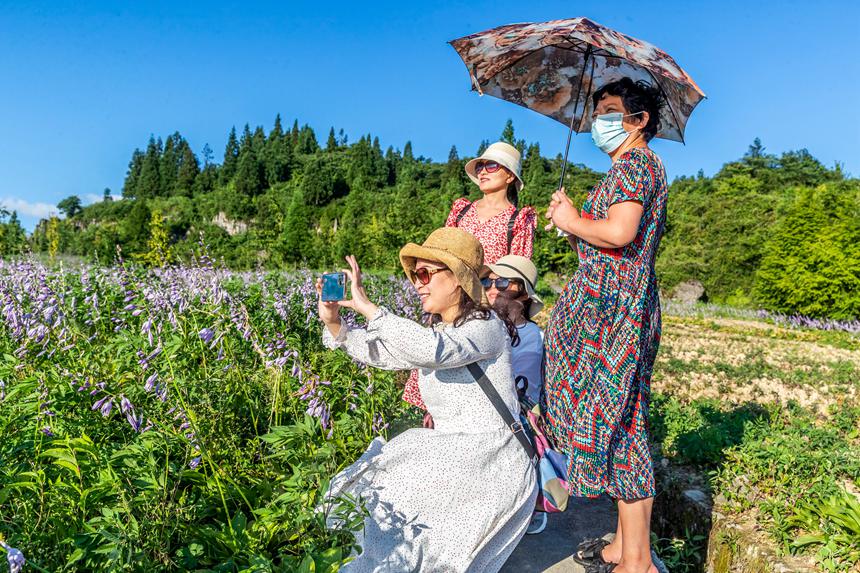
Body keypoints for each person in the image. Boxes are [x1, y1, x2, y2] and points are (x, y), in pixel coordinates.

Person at [317, 227, 537, 572]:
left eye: (425, 274)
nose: (417, 284)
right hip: (458, 452)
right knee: (378, 489)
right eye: (414, 275)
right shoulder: (442, 330)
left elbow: (435, 352)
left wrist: (371, 309)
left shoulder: (486, 326)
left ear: (458, 279)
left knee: (426, 547)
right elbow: (384, 355)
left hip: (492, 461)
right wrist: (335, 324)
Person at [542, 78, 668, 573]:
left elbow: (620, 232)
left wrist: (574, 221)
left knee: (626, 427)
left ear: (639, 122)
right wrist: (573, 219)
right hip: (608, 310)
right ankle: (623, 545)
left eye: (611, 111)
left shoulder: (636, 165)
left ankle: (637, 562)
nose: (600, 122)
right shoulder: (626, 168)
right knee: (617, 427)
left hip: (616, 314)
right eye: (598, 112)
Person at [446, 141, 537, 263]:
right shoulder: (460, 211)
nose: (482, 172)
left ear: (510, 176)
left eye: (491, 165)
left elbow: (516, 273)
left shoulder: (519, 221)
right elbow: (443, 252)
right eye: (479, 166)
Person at [479, 254, 544, 407]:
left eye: (503, 282)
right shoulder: (483, 325)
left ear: (524, 294)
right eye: (487, 282)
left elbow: (522, 391)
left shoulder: (532, 336)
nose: (493, 288)